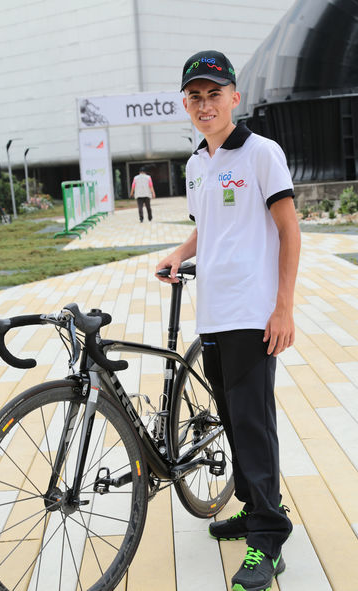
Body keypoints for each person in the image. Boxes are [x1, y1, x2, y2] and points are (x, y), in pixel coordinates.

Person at [156, 50, 301, 591]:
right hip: (213, 313)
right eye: (194, 96)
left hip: (253, 311)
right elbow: (208, 227)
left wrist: (283, 307)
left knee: (253, 422)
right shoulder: (198, 164)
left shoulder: (262, 154)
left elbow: (289, 230)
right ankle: (253, 505)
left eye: (214, 93)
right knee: (231, 417)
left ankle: (268, 539)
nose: (204, 104)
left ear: (234, 98)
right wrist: (180, 253)